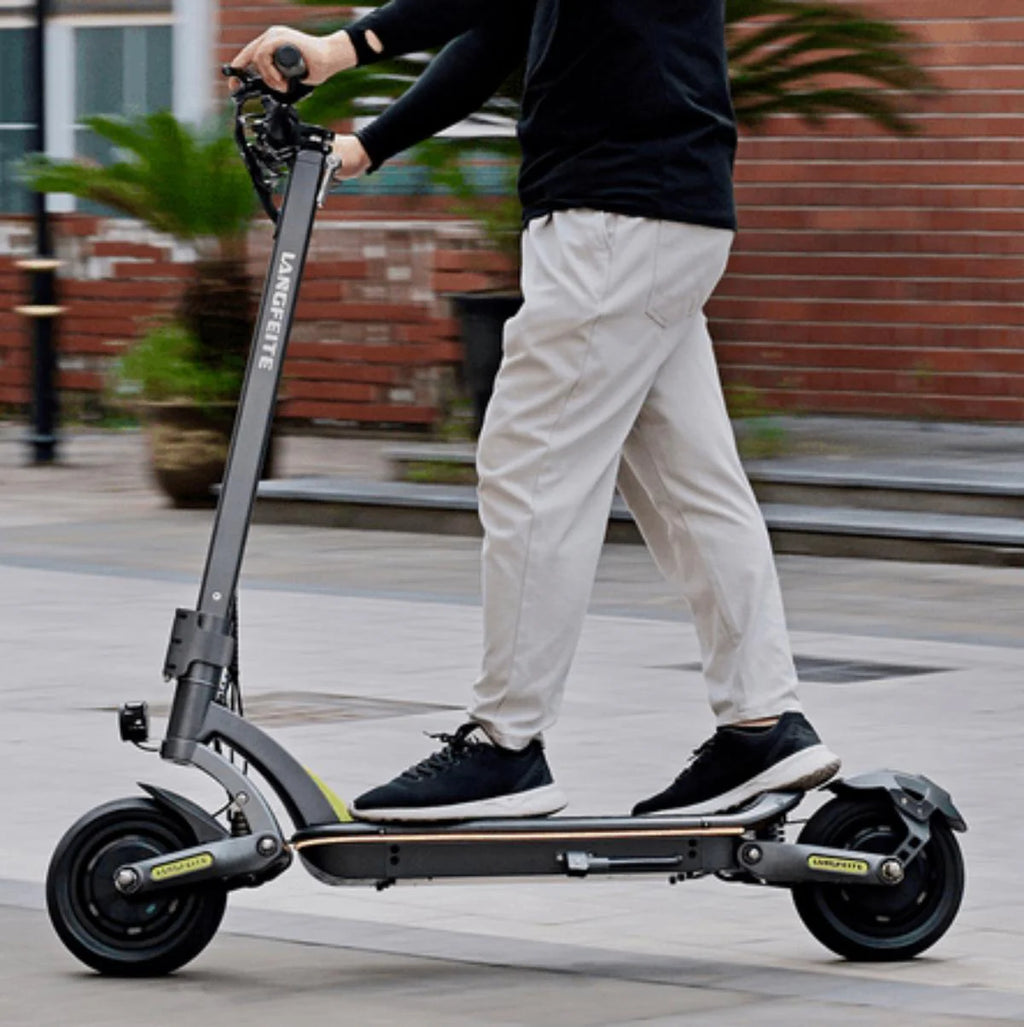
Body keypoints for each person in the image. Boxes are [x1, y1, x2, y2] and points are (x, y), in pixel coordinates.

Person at [232, 0, 841, 823]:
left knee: (531, 468)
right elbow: (500, 29)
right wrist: (366, 146)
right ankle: (762, 724)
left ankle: (506, 746)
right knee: (690, 487)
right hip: (654, 213)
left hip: (615, 218)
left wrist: (347, 46)